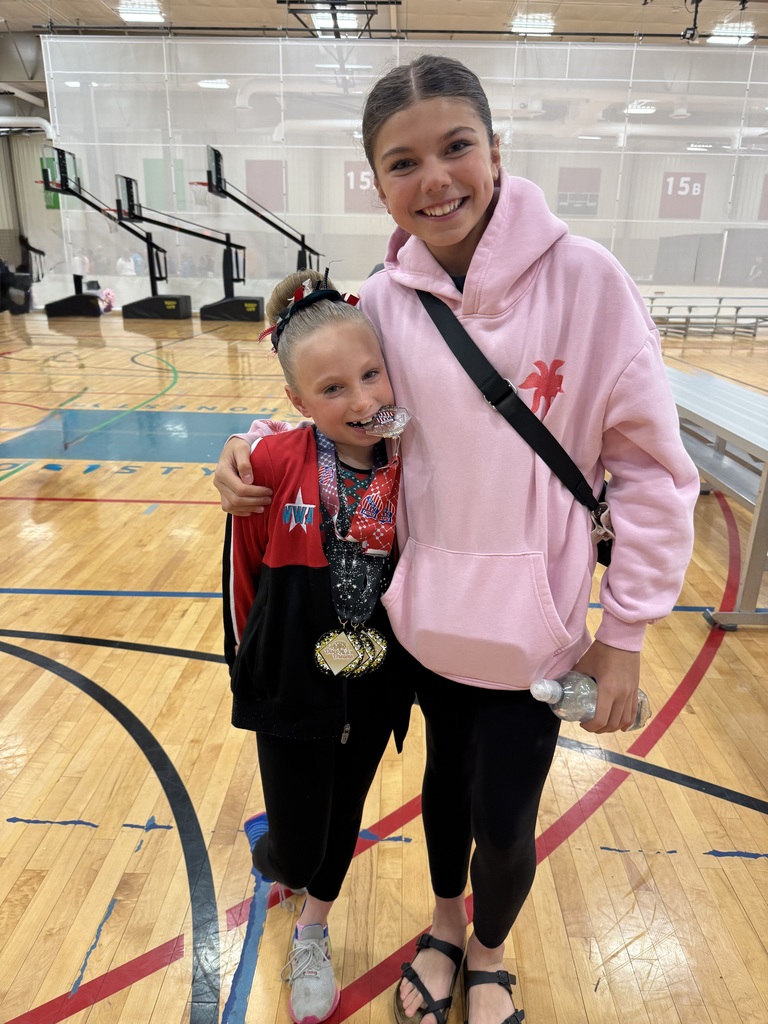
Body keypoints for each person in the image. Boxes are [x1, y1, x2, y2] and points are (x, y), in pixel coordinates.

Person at [215, 55, 699, 1024]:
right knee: (444, 794)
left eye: (456, 147)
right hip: (426, 630)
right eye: (403, 162)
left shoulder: (592, 282)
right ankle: (441, 926)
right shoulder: (385, 303)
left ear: (495, 149)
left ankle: (488, 954)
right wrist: (249, 448)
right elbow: (335, 395)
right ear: (378, 180)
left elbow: (652, 473)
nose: (434, 178)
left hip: (540, 634)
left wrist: (628, 632)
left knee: (507, 820)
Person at [223, 268, 413, 1024]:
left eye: (371, 375)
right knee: (299, 847)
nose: (364, 401)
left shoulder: (414, 461)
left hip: (376, 683)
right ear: (298, 405)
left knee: (344, 817)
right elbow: (244, 580)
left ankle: (312, 929)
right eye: (333, 390)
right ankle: (279, 860)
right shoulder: (268, 465)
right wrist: (252, 673)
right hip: (291, 688)